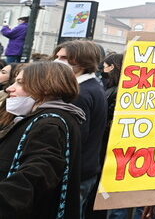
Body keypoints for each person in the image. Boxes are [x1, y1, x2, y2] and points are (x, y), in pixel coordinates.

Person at [0, 61, 86, 218]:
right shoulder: (51, 117)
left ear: (45, 87)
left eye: (20, 83)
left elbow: (38, 173)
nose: (9, 88)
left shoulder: (50, 123)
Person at [53, 40, 108, 219]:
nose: (57, 61)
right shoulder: (91, 87)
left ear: (82, 61)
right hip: (84, 169)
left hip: (76, 172)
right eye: (57, 56)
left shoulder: (80, 93)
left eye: (65, 58)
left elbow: (75, 137)